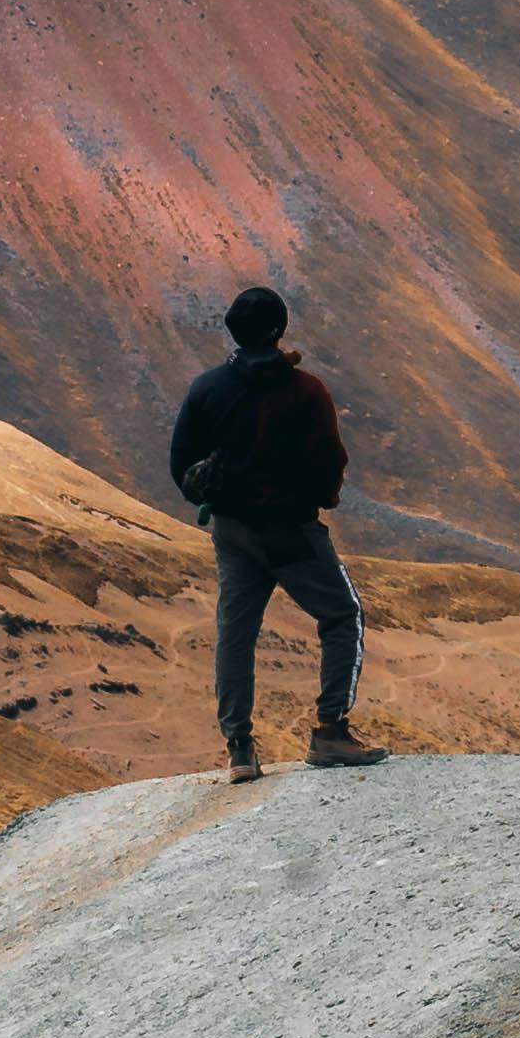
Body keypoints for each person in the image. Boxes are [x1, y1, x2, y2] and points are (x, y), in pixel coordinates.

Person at [168, 283, 385, 779]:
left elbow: (181, 463)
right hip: (290, 531)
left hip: (231, 530)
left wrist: (212, 501)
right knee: (342, 615)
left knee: (236, 633)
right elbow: (332, 461)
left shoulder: (206, 388)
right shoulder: (306, 391)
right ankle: (330, 731)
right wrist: (315, 505)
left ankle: (240, 748)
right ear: (279, 329)